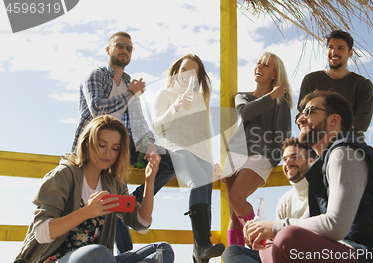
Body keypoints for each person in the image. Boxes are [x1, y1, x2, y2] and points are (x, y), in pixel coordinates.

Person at [244, 91, 373, 262]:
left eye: (309, 111)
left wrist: (276, 227)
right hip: (353, 250)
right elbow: (309, 222)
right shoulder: (321, 167)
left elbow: (335, 226)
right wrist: (264, 231)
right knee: (240, 252)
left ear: (334, 120)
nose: (300, 119)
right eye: (301, 114)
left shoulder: (345, 153)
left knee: (287, 239)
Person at [15, 115, 174, 263]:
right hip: (55, 258)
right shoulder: (64, 175)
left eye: (115, 148)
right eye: (102, 145)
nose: (108, 153)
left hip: (101, 259)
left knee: (162, 251)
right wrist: (86, 212)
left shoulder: (113, 183)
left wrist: (150, 180)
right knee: (99, 253)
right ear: (87, 143)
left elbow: (141, 223)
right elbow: (41, 233)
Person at [71, 31, 176, 252]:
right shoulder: (95, 76)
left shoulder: (130, 83)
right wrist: (129, 93)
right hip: (94, 144)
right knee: (111, 191)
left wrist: (149, 145)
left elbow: (139, 124)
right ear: (108, 50)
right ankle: (125, 251)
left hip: (123, 144)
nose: (125, 51)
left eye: (129, 48)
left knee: (170, 161)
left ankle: (132, 203)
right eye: (120, 46)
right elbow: (98, 109)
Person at [151, 54, 225, 263]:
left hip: (201, 151)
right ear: (177, 71)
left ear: (198, 78)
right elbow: (157, 127)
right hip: (175, 146)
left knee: (206, 192)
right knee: (197, 182)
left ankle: (200, 252)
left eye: (194, 72)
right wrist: (175, 107)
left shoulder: (200, 99)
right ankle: (201, 245)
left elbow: (204, 133)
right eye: (184, 69)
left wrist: (211, 161)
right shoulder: (164, 94)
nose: (187, 75)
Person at [220, 52, 292, 246]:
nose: (258, 67)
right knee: (234, 216)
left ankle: (263, 241)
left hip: (261, 155)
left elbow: (282, 136)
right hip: (235, 154)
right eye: (258, 63)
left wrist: (276, 157)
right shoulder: (243, 96)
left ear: (275, 74)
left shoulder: (281, 103)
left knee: (237, 198)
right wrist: (271, 96)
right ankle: (236, 258)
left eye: (265, 65)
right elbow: (246, 112)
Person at [221, 137, 316, 263]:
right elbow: (278, 240)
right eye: (285, 159)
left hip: (312, 255)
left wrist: (271, 230)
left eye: (294, 157)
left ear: (311, 161)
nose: (287, 163)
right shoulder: (284, 201)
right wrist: (257, 238)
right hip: (285, 256)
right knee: (231, 252)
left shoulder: (319, 194)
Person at [298, 30, 373, 139]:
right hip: (316, 142)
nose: (334, 52)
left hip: (350, 143)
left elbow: (362, 123)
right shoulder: (310, 80)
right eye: (330, 47)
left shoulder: (363, 84)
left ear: (350, 53)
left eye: (341, 48)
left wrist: (327, 131)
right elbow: (301, 115)